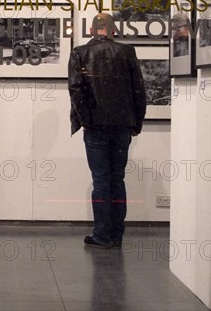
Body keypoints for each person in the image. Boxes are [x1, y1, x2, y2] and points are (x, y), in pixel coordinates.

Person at [68, 13, 146, 248]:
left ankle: (102, 234)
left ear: (91, 30)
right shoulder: (127, 52)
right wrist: (136, 123)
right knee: (117, 178)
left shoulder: (80, 53)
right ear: (113, 30)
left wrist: (86, 121)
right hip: (122, 125)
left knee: (101, 180)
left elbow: (76, 91)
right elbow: (138, 90)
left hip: (95, 127)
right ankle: (117, 233)